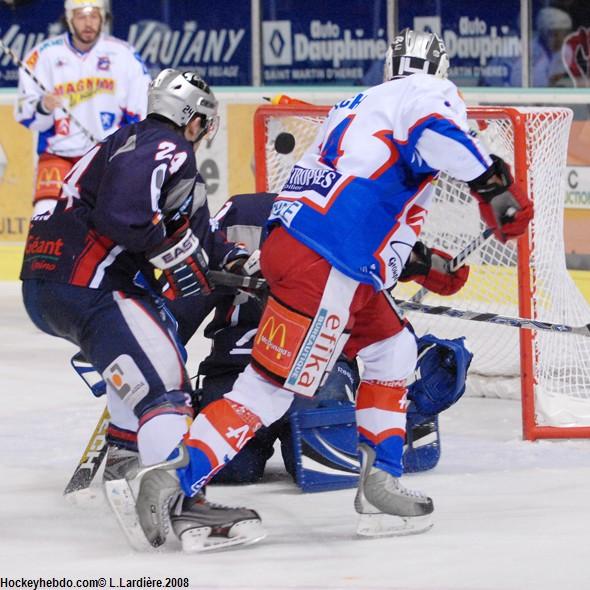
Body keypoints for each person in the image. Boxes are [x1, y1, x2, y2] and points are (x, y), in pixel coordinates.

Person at [96, 27, 533, 549]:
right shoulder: (427, 93)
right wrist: (494, 187)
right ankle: (172, 477)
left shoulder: (361, 102)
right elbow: (434, 132)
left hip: (312, 249)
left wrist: (419, 261)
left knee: (393, 347)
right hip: (329, 262)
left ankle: (381, 482)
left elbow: (364, 196)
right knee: (269, 390)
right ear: (438, 70)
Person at [20, 67, 267, 552]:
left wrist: (230, 258)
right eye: (203, 120)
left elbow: (192, 236)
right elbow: (125, 216)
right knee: (167, 387)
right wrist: (171, 252)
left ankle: (124, 460)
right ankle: (184, 503)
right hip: (90, 285)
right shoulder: (166, 145)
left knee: (138, 369)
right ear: (193, 118)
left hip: (45, 286)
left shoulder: (125, 141)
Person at [14, 0, 151, 217]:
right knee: (44, 216)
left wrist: (122, 149)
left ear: (103, 18)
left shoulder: (125, 55)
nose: (88, 23)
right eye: (81, 16)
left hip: (106, 157)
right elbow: (23, 112)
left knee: (109, 220)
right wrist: (43, 106)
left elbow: (142, 112)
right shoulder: (44, 55)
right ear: (69, 19)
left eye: (94, 16)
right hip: (58, 155)